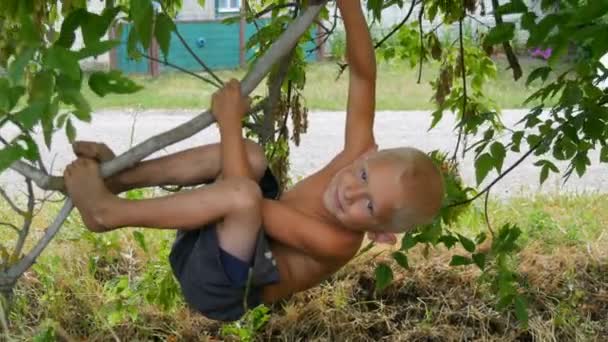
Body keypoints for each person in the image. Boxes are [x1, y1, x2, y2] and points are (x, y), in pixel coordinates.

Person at [63, 0, 444, 322]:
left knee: (244, 192)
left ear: (379, 235)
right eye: (363, 174)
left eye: (370, 205)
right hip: (218, 237)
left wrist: (230, 123)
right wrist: (347, 3)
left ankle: (107, 213)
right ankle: (121, 179)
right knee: (251, 156)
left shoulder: (337, 242)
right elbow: (364, 76)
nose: (351, 190)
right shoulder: (356, 153)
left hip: (220, 286)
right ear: (368, 156)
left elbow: (248, 201)